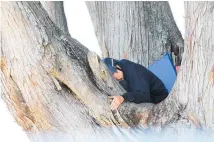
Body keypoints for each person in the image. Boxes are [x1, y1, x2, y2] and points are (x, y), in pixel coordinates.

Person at [103, 58, 168, 110]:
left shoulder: (135, 72)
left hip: (159, 100)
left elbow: (145, 96)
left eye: (113, 74)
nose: (114, 78)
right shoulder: (122, 67)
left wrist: (123, 97)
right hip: (145, 94)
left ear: (117, 67)